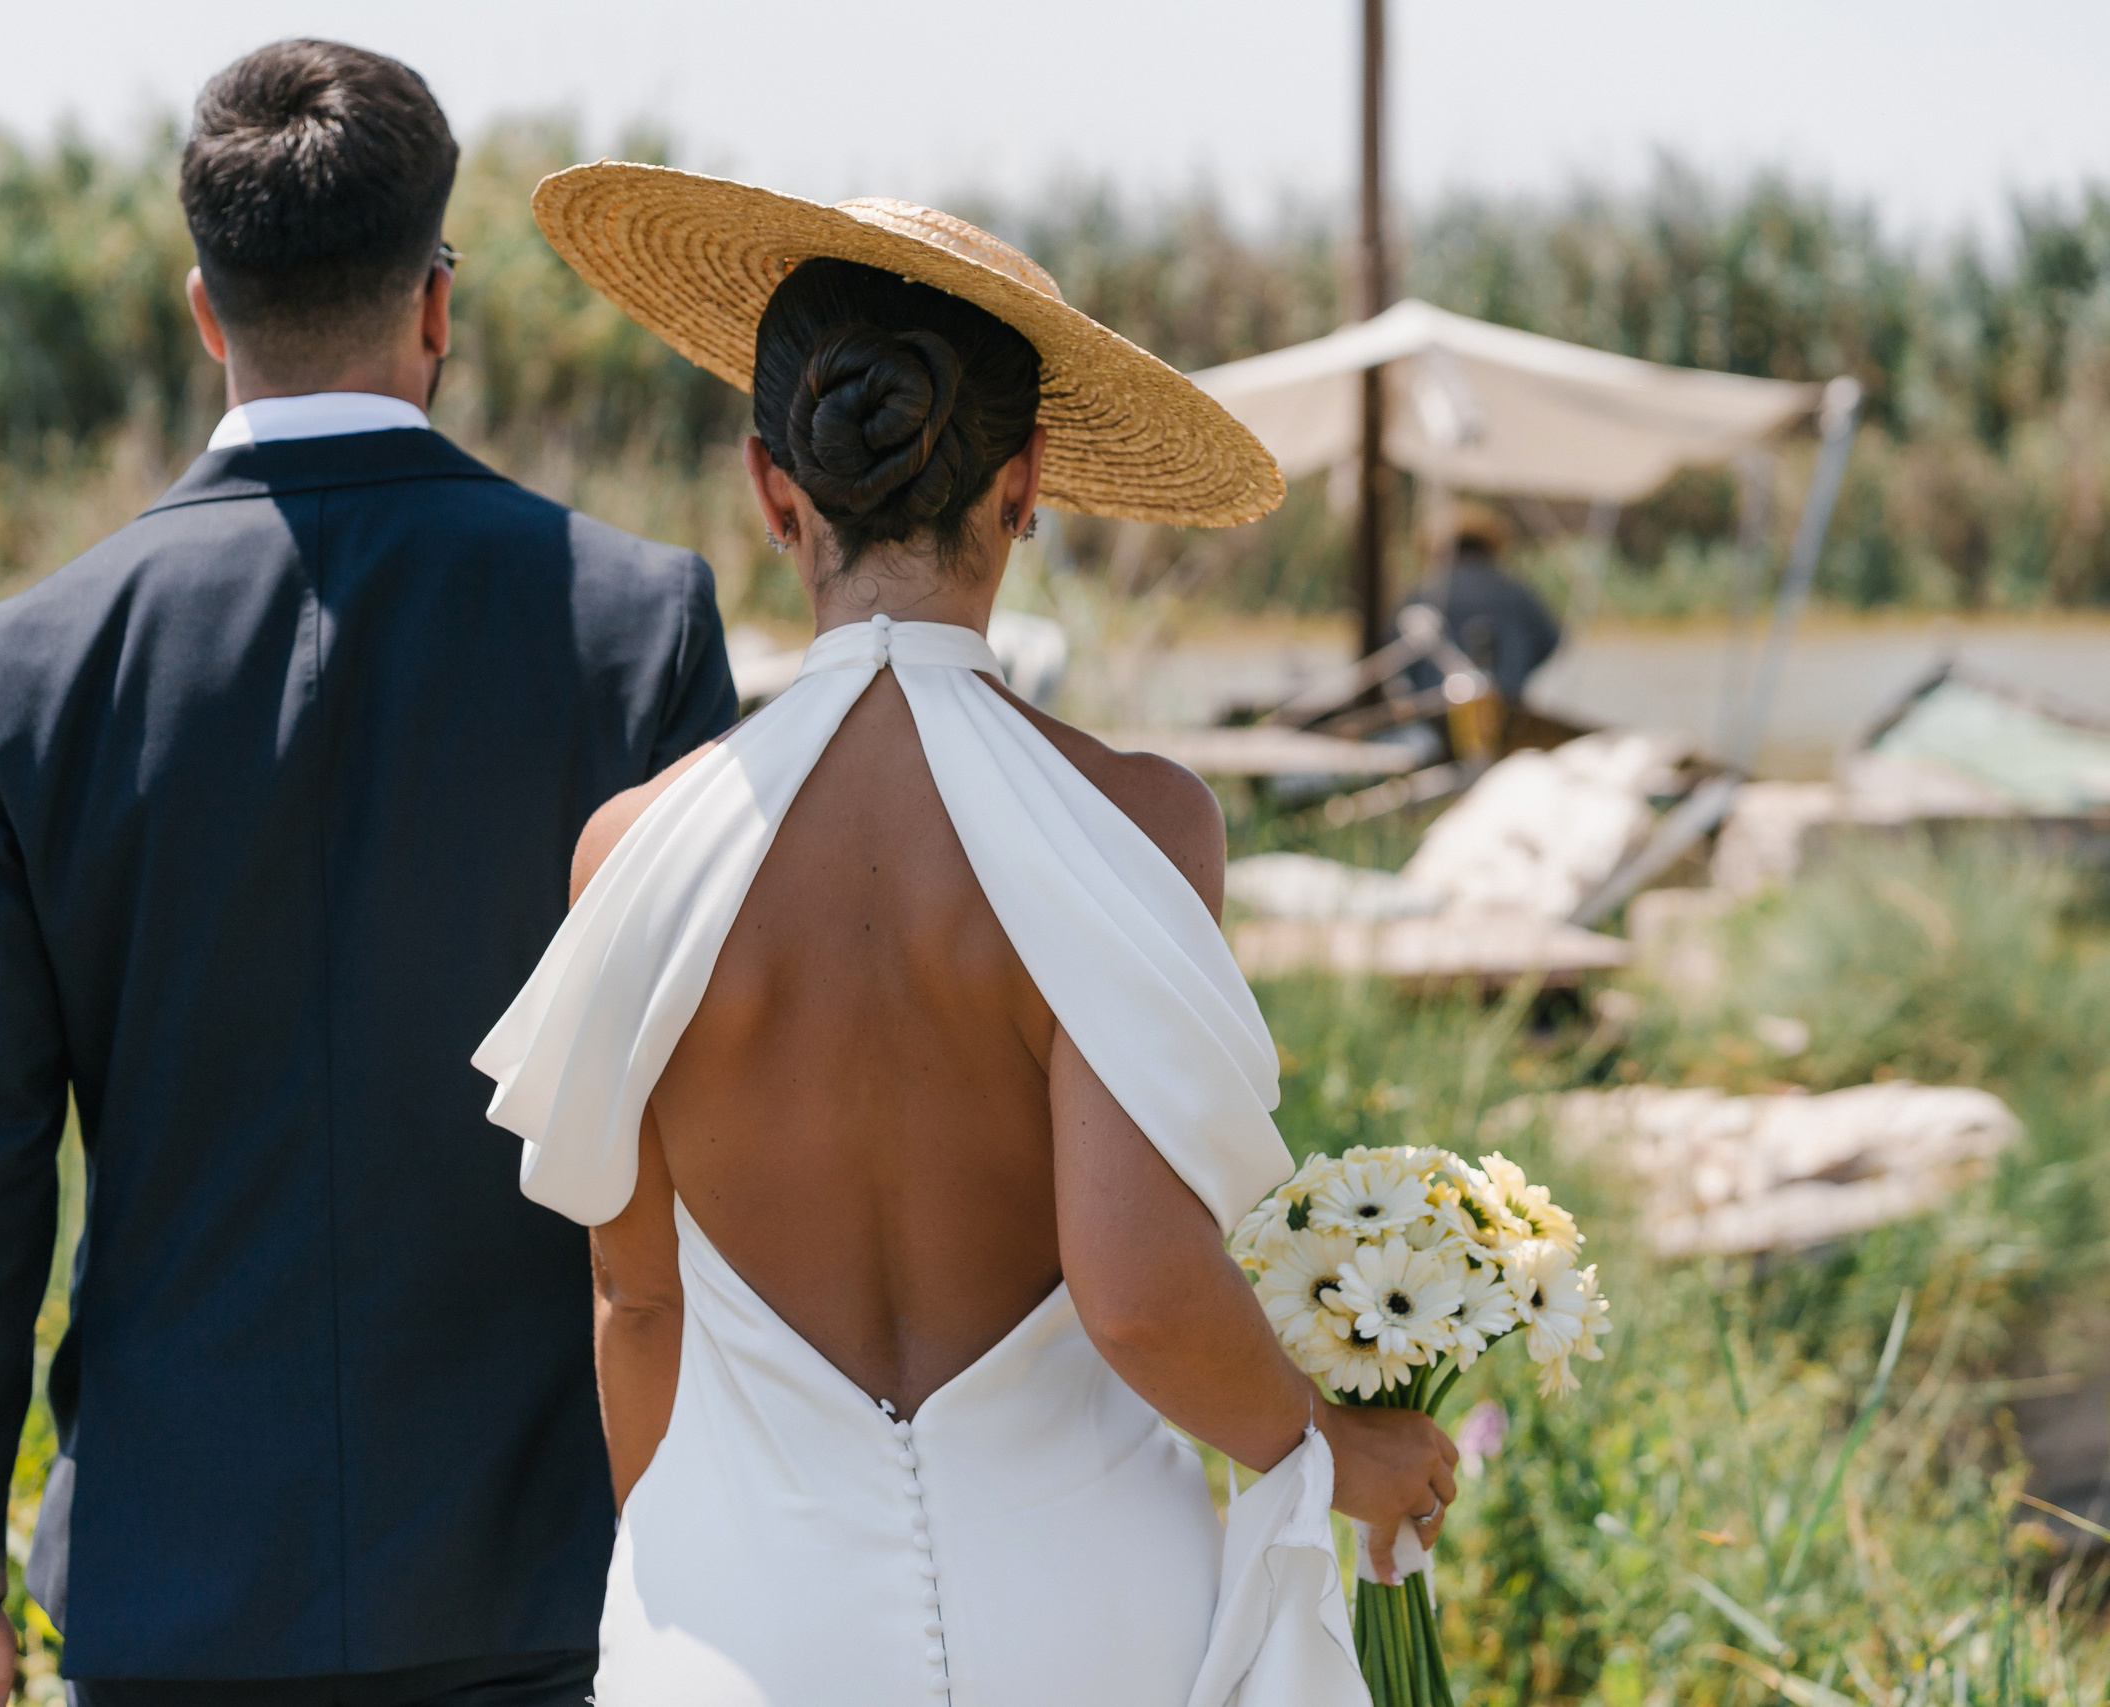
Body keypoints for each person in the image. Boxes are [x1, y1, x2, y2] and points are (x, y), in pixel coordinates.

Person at [478, 167, 1458, 1707]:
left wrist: (693, 1571)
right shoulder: (1137, 821)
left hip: (739, 1618)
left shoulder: (638, 846)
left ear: (772, 490)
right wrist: (1349, 1449)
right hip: (1084, 1618)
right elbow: (1132, 1285)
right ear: (1027, 484)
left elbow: (641, 1299)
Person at [0, 44, 735, 1707]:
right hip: (552, 1568)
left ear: (206, 310)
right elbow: (720, 1115)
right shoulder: (636, 628)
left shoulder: (28, 666)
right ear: (438, 300)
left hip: (170, 1585)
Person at [1395, 502, 1561, 704]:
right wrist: (1517, 670)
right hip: (1505, 702)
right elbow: (1550, 639)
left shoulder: (1426, 593)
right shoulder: (1517, 591)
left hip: (1437, 705)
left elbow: (1397, 652)